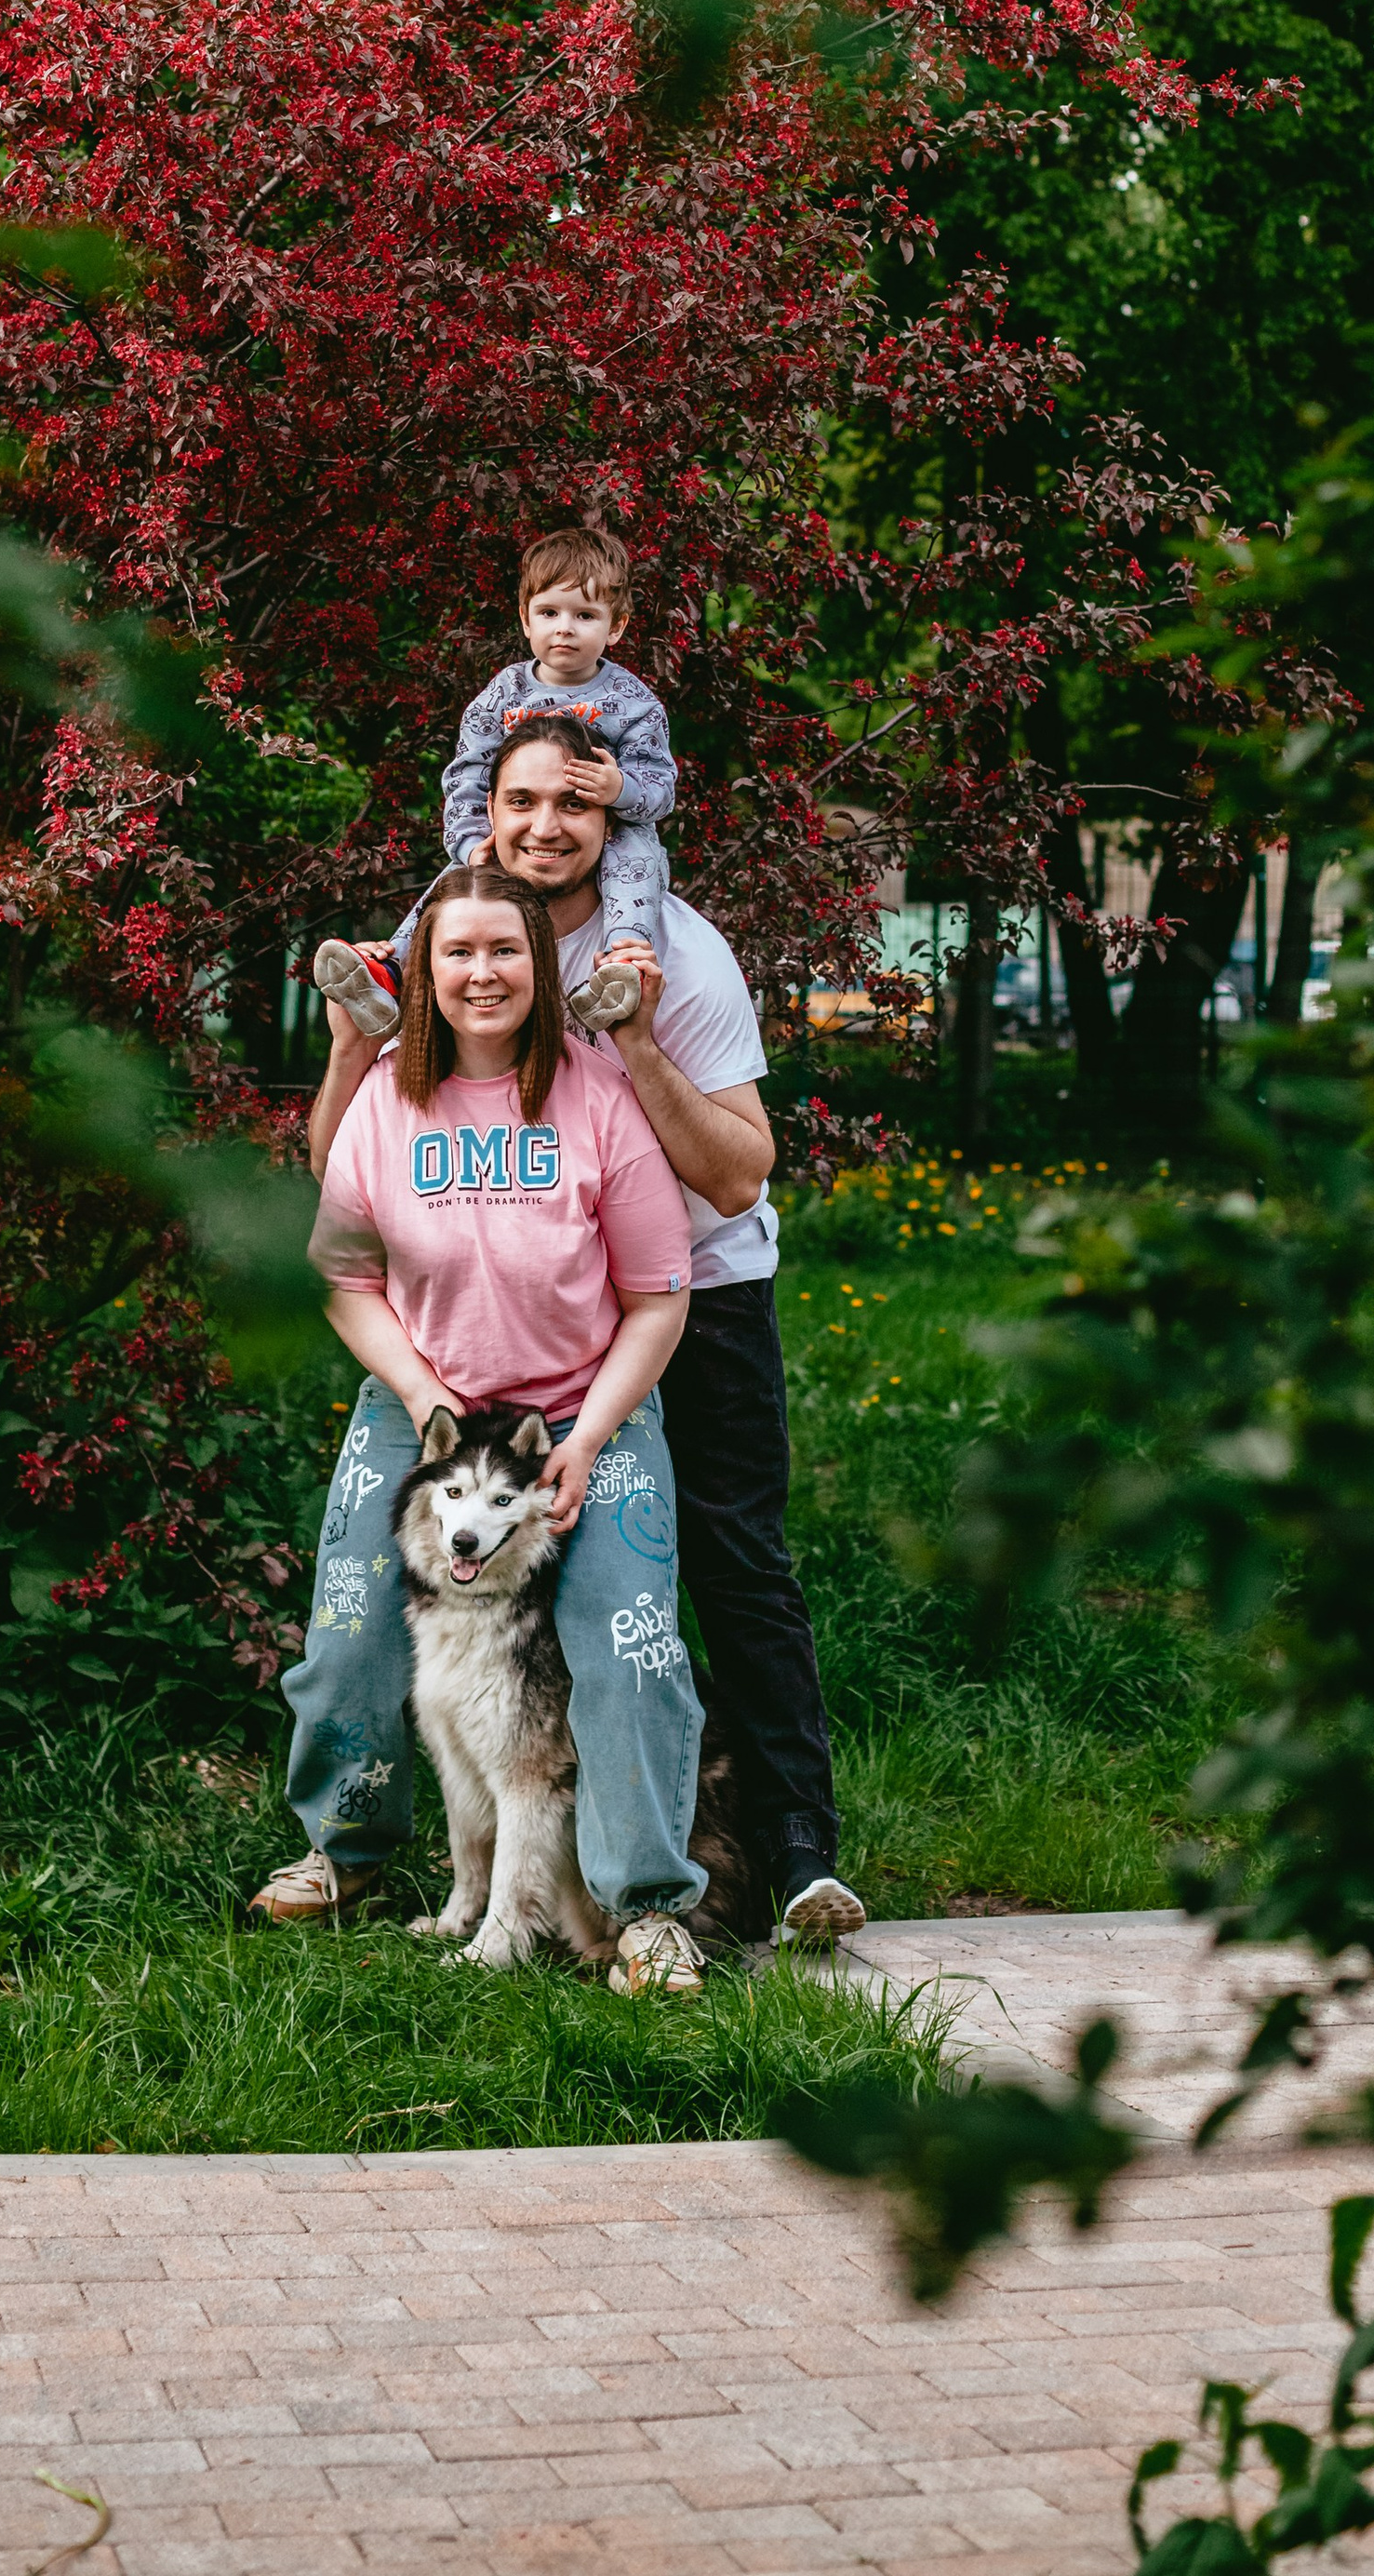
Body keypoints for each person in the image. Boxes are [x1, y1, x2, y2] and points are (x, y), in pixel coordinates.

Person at [310, 716, 867, 1948]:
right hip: (456, 1348)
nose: (546, 824)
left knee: (702, 1581)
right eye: (522, 800)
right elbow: (350, 1183)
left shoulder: (676, 957)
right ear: (484, 814)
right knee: (365, 1607)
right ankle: (357, 1854)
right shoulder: (447, 925)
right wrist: (355, 1050)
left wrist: (634, 1047)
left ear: (616, 817)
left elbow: (736, 1179)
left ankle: (775, 1856)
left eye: (574, 802)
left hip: (677, 1297)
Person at [251, 859, 718, 1995]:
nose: (481, 972)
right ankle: (344, 1850)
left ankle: (646, 1908)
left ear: (541, 968)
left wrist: (589, 1437)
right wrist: (422, 1396)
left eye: (504, 949)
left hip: (582, 1405)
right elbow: (343, 1279)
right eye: (456, 951)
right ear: (425, 974)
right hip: (424, 1404)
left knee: (628, 1645)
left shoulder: (598, 1097)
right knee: (350, 1636)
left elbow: (659, 1297)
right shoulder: (385, 1104)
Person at [313, 526, 674, 1039]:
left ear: (615, 626)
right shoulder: (504, 693)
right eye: (549, 613)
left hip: (611, 828)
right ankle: (389, 971)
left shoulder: (635, 704)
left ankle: (621, 968)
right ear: (525, 619)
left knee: (636, 865)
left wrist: (620, 790)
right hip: (518, 827)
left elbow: (660, 787)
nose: (564, 629)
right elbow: (467, 775)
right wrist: (468, 844)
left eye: (584, 616)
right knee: (457, 883)